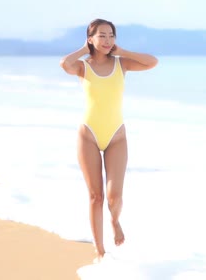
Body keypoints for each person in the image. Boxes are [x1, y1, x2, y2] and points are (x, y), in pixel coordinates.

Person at [59, 18, 158, 261]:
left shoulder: (121, 64)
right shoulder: (83, 66)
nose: (107, 40)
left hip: (116, 136)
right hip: (88, 135)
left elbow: (152, 62)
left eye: (111, 35)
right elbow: (64, 64)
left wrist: (122, 51)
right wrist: (84, 50)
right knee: (96, 196)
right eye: (101, 35)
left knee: (115, 196)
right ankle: (100, 250)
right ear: (90, 37)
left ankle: (115, 220)